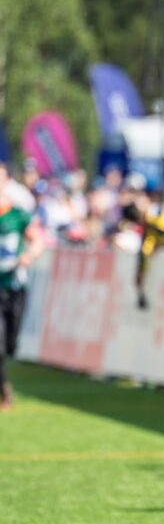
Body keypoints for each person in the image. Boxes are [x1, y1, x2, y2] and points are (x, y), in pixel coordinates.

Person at [0, 164, 42, 410]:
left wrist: (28, 255)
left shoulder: (18, 215)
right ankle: (3, 388)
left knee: (10, 345)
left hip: (14, 285)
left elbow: (37, 240)